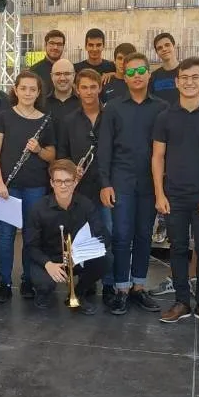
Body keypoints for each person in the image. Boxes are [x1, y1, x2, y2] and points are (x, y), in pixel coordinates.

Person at [153, 57, 199, 328]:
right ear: (177, 81)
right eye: (184, 77)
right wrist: (159, 194)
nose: (189, 82)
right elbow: (158, 158)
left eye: (195, 77)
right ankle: (182, 301)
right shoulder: (164, 116)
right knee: (178, 249)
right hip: (174, 194)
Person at [98, 52, 167, 315]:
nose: (136, 76)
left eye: (141, 71)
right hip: (121, 181)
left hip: (151, 184)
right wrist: (105, 183)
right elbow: (104, 149)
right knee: (121, 236)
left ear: (149, 74)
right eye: (131, 72)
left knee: (143, 236)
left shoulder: (161, 108)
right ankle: (121, 289)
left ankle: (139, 287)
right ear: (123, 77)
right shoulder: (113, 107)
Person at [0, 71, 56, 302]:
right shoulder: (4, 117)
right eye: (23, 88)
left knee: (31, 236)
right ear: (15, 90)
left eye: (33, 89)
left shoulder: (45, 119)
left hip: (35, 186)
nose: (28, 93)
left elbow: (51, 156)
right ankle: (5, 283)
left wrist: (39, 149)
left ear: (38, 93)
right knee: (6, 235)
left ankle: (28, 280)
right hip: (8, 186)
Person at [24, 159, 109, 315]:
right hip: (49, 259)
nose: (63, 185)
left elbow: (104, 236)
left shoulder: (86, 205)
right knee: (44, 284)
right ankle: (43, 292)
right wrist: (48, 264)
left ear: (75, 182)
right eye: (58, 181)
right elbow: (30, 246)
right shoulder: (38, 208)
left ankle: (79, 292)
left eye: (68, 181)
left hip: (77, 257)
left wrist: (81, 252)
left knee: (106, 258)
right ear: (52, 183)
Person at [57, 69, 113, 304]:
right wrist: (71, 169)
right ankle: (86, 283)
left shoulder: (111, 116)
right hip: (79, 191)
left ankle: (109, 286)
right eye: (84, 87)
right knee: (80, 239)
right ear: (76, 90)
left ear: (99, 88)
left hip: (105, 188)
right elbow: (61, 155)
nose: (89, 92)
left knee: (107, 236)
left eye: (93, 87)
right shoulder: (69, 120)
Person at [47, 58, 80, 147]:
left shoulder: (84, 103)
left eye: (67, 74)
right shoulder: (41, 104)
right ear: (51, 76)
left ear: (74, 75)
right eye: (57, 74)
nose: (62, 78)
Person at [29, 29, 66, 97]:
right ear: (45, 45)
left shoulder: (69, 70)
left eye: (59, 44)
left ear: (63, 47)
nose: (55, 47)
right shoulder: (34, 71)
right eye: (52, 43)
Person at [147, 33, 180, 105]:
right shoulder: (153, 77)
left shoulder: (186, 73)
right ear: (157, 53)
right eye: (160, 48)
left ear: (174, 47)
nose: (164, 49)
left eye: (167, 45)